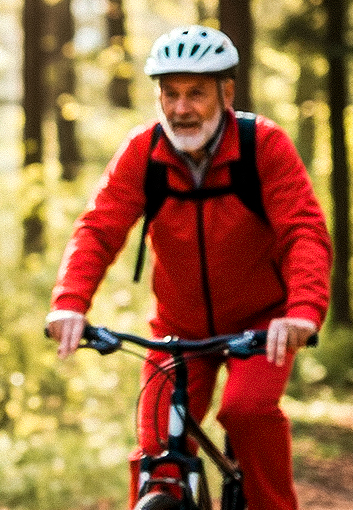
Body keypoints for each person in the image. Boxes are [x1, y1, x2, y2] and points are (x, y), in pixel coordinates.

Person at [45, 25, 331, 510]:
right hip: (178, 328)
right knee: (158, 443)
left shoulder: (263, 146)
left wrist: (303, 309)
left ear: (227, 92)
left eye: (196, 93)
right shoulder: (144, 151)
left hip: (262, 323)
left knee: (246, 412)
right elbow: (99, 228)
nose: (181, 108)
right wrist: (70, 303)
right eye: (170, 93)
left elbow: (303, 230)